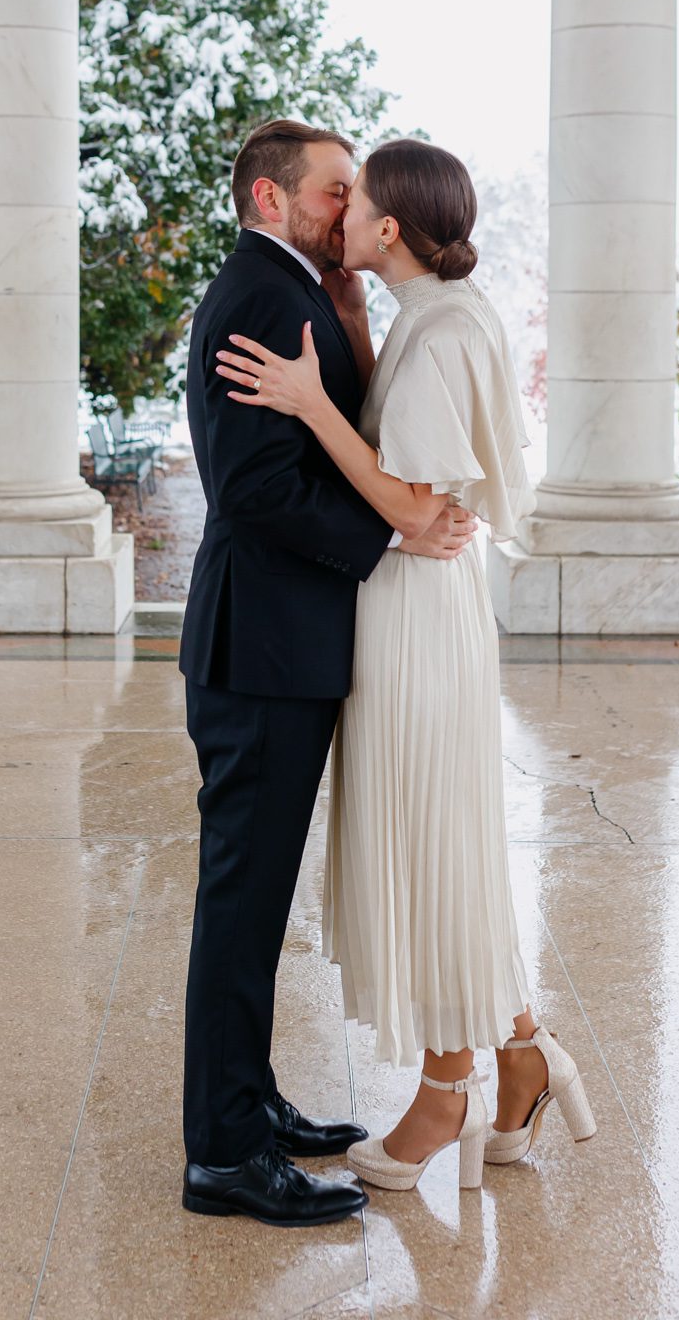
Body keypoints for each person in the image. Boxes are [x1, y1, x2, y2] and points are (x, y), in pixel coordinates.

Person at [216, 136, 597, 1195]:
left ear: (387, 228)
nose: (337, 213)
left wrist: (311, 402)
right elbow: (414, 457)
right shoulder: (432, 316)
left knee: (435, 843)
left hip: (416, 617)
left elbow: (416, 506)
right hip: (416, 612)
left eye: (354, 198)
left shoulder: (435, 330)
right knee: (448, 840)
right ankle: (520, 1051)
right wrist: (344, 333)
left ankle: (448, 1091)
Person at [179, 119, 478, 1227]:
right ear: (270, 197)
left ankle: (248, 1104)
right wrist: (388, 536)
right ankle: (220, 1152)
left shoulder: (305, 288)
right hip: (257, 648)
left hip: (285, 643)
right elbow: (250, 488)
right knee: (239, 897)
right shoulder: (263, 293)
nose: (347, 206)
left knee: (256, 899)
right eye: (331, 189)